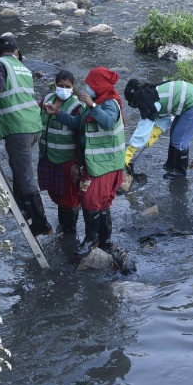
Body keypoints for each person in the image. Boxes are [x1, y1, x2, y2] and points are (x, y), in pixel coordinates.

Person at [0, 34, 53, 236]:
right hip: (33, 126)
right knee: (18, 167)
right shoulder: (21, 68)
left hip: (18, 129)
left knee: (25, 176)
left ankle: (42, 223)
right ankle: (23, 207)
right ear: (16, 51)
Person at [44, 67, 127, 255]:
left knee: (90, 200)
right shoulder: (96, 101)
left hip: (106, 162)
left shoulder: (109, 103)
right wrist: (58, 113)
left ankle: (92, 240)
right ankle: (104, 241)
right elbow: (77, 123)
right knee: (102, 202)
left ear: (99, 85)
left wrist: (92, 105)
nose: (87, 87)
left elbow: (108, 122)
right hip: (94, 162)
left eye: (90, 83)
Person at [123, 77, 193, 178]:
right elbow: (164, 116)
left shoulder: (148, 102)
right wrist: (154, 134)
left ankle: (180, 173)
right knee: (174, 134)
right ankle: (170, 165)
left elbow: (142, 129)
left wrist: (129, 152)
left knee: (179, 141)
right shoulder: (150, 92)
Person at [38, 70, 90, 237]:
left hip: (67, 159)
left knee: (69, 197)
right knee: (56, 193)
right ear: (55, 85)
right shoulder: (47, 100)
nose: (63, 88)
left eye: (67, 86)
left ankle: (69, 232)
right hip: (47, 155)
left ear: (73, 88)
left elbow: (80, 131)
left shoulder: (77, 106)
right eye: (60, 85)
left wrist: (77, 163)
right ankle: (63, 227)